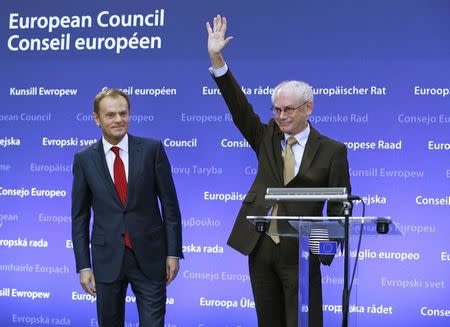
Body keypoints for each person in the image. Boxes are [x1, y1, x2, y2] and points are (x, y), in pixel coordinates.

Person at [206, 15, 351, 327]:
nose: (281, 117)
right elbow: (238, 107)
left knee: (305, 323)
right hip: (260, 248)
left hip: (302, 251)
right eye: (277, 110)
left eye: (289, 110)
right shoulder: (266, 137)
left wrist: (322, 252)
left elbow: (339, 207)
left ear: (308, 108)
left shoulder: (332, 151)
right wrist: (217, 60)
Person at [71, 88, 183, 327]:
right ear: (96, 118)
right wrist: (83, 265)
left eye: (123, 113)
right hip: (107, 258)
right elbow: (79, 217)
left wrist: (173, 252)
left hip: (151, 256)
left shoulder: (152, 150)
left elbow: (170, 206)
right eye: (110, 115)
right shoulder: (84, 159)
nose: (119, 120)